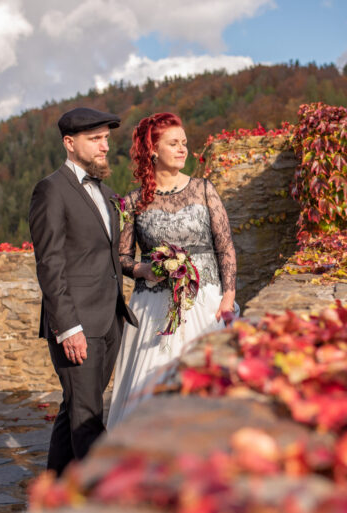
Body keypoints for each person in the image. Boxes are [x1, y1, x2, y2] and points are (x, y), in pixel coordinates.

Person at [106, 112, 237, 429]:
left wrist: (228, 296)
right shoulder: (133, 202)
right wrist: (145, 270)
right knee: (153, 389)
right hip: (152, 310)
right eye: (174, 143)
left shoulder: (205, 189)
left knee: (206, 387)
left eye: (185, 144)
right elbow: (121, 257)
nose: (183, 150)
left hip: (205, 304)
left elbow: (226, 246)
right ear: (152, 149)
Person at [28, 107, 137, 476]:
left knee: (75, 407)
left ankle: (55, 491)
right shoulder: (51, 189)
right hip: (77, 325)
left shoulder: (107, 193)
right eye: (95, 139)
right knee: (88, 418)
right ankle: (101, 493)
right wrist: (68, 327)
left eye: (106, 138)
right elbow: (50, 263)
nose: (105, 146)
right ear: (69, 143)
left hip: (110, 320)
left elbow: (109, 257)